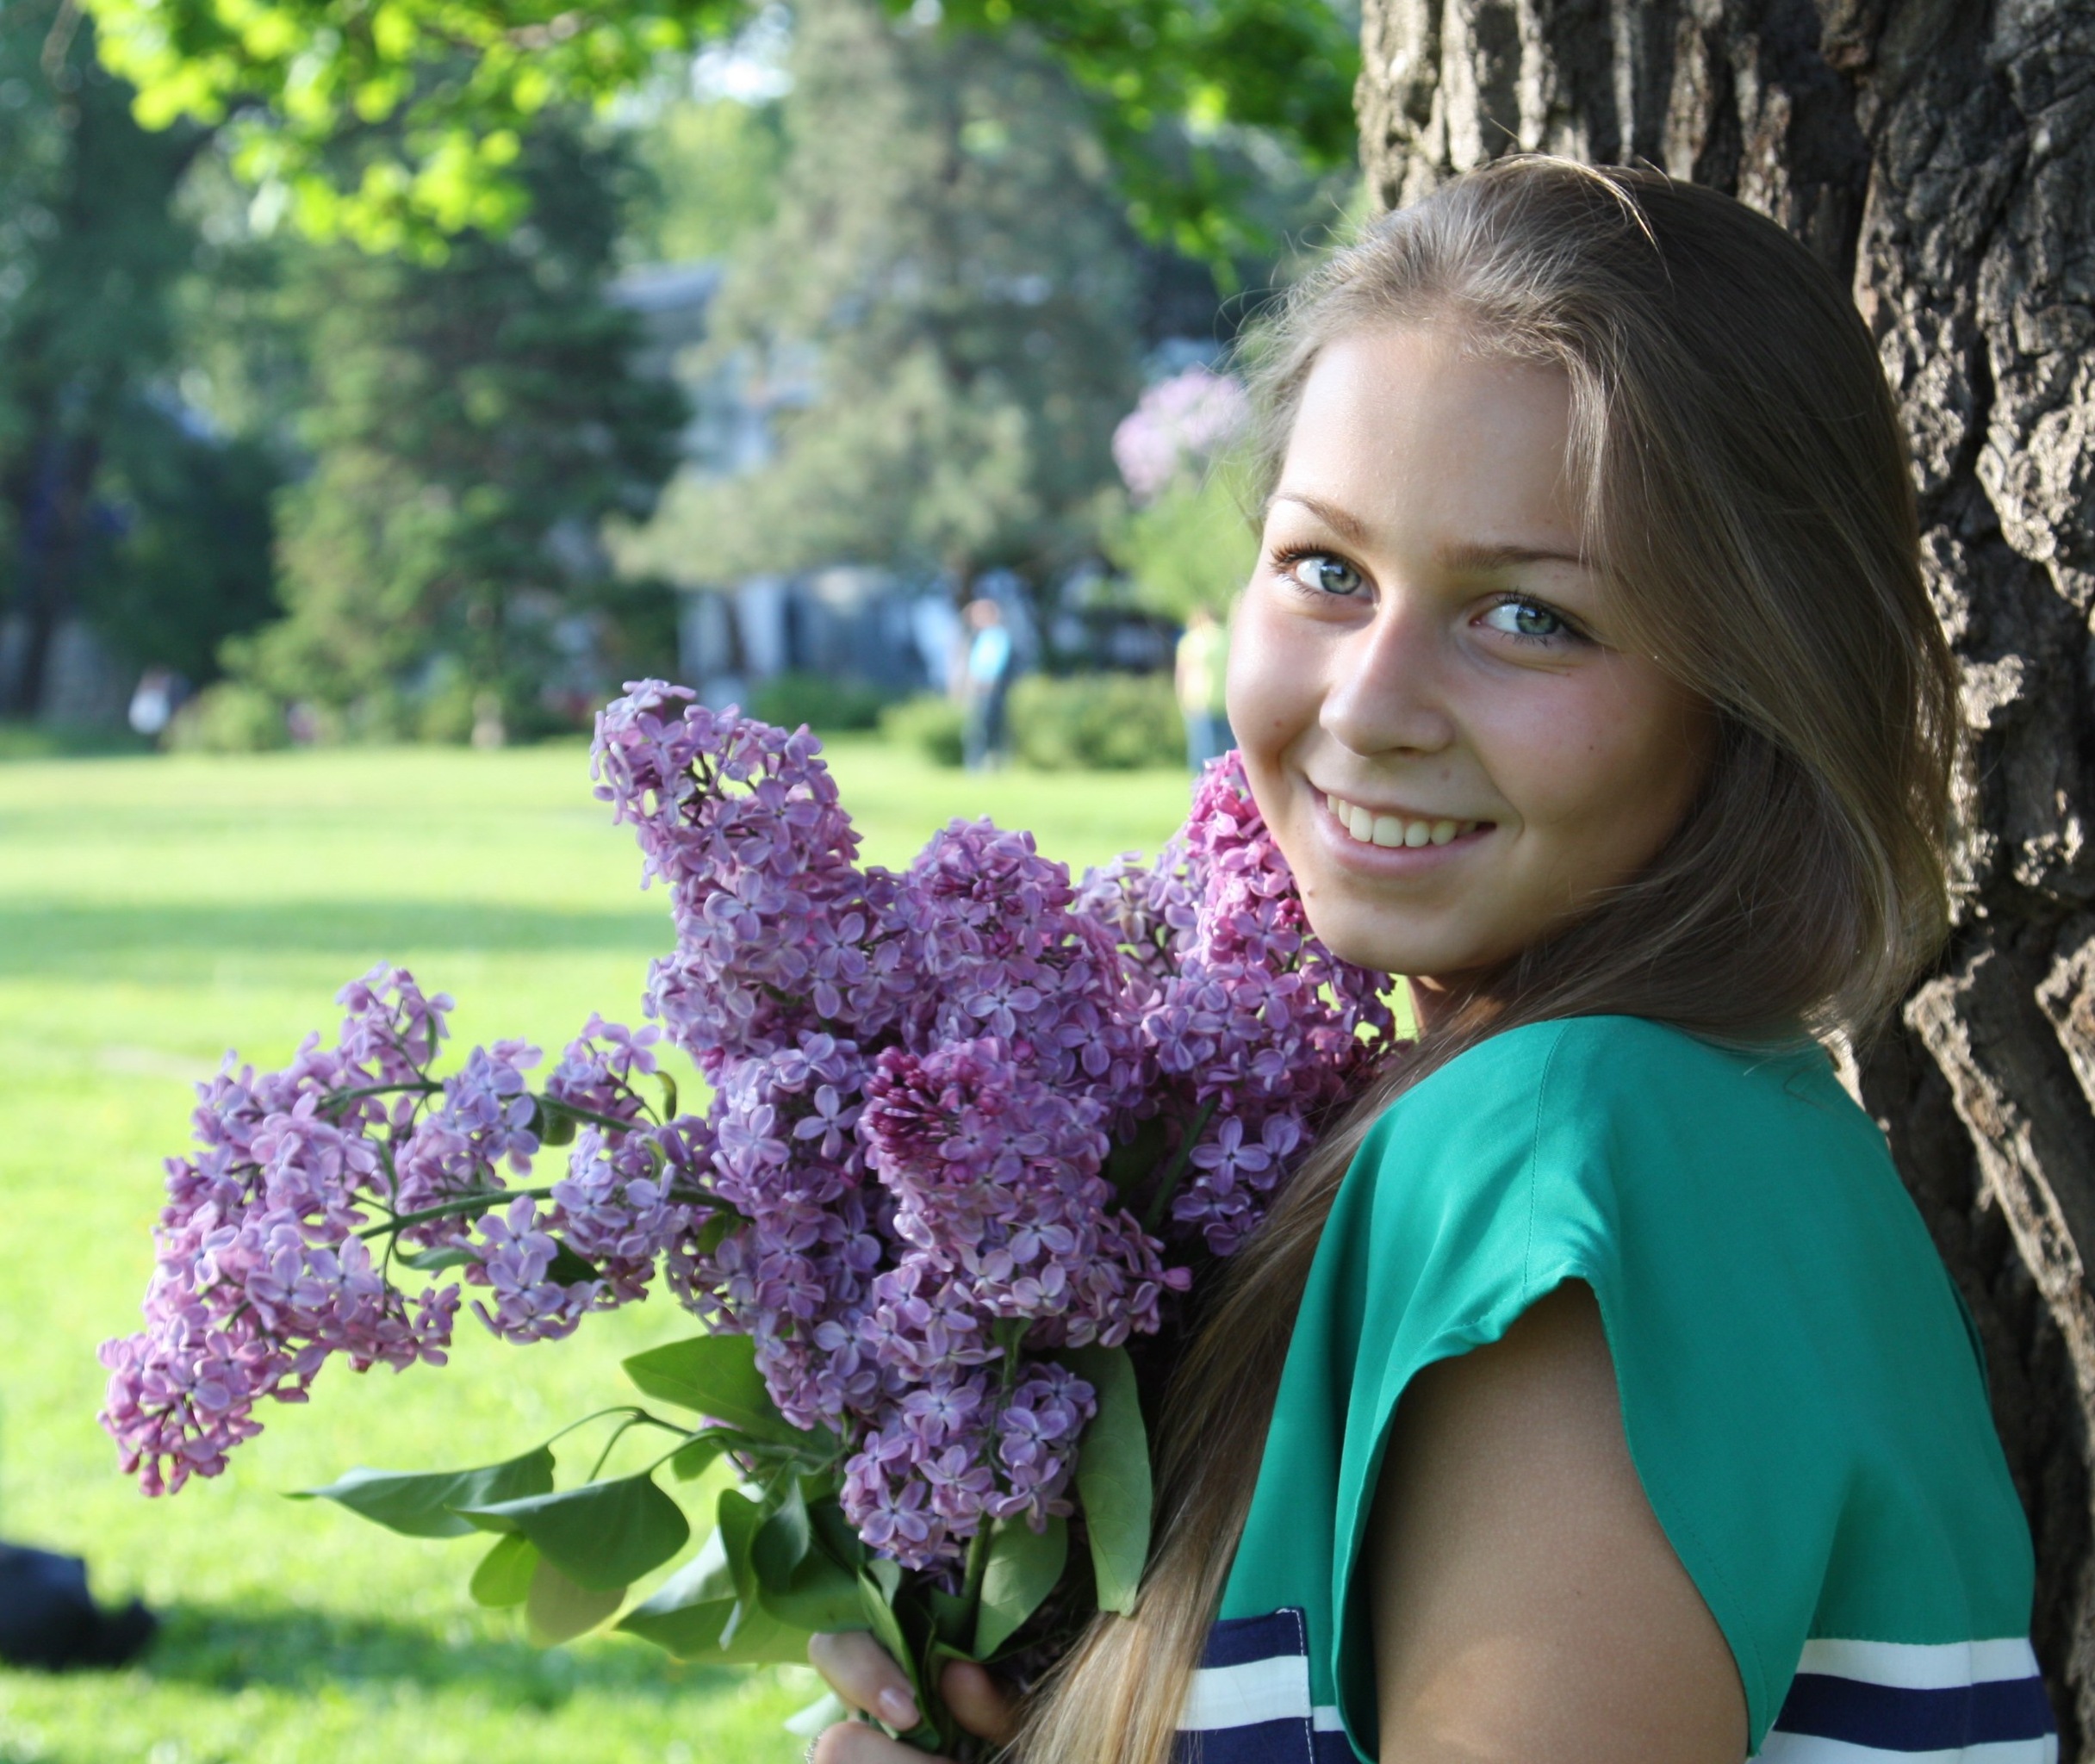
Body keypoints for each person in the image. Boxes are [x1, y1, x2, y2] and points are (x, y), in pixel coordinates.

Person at [803, 158, 2051, 1763]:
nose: (1371, 703)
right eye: (1326, 571)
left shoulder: (1578, 1146)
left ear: (1751, 687)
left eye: (1530, 616)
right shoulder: (1670, 1125)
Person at [1174, 606, 1234, 770]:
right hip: (1226, 701)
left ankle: (1203, 783)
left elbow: (1182, 672)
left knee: (1203, 752)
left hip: (1198, 700)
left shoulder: (1191, 640)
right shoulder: (1226, 638)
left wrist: (1181, 699)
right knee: (1229, 751)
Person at [959, 597, 1013, 772]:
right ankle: (976, 764)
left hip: (990, 689)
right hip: (979, 689)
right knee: (975, 728)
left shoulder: (997, 636)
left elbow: (995, 664)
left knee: (989, 728)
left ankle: (991, 763)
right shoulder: (980, 637)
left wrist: (986, 683)